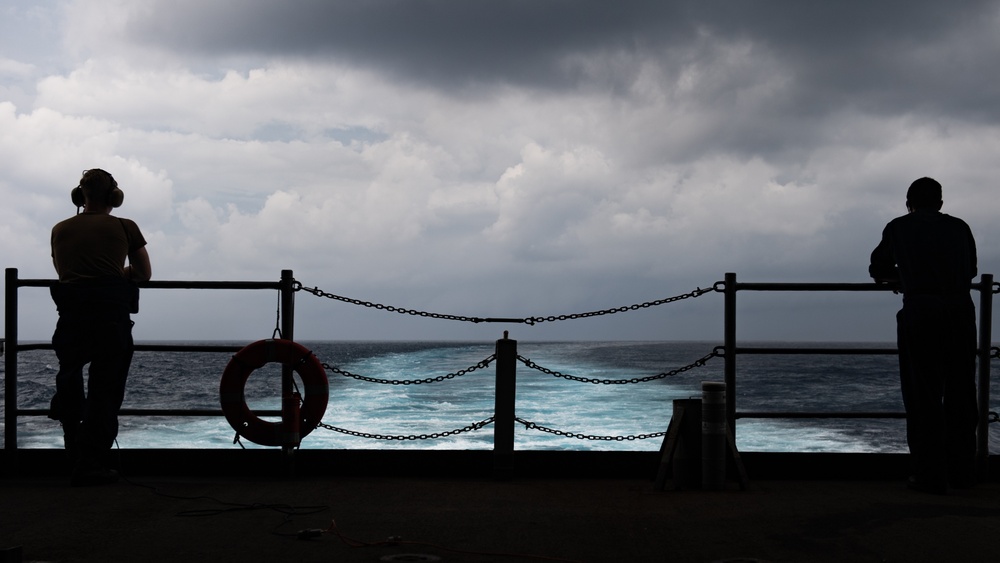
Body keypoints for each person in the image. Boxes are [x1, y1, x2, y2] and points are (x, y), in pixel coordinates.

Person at [869, 177, 978, 494]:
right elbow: (970, 270)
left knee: (923, 395)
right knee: (961, 392)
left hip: (920, 312)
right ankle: (962, 473)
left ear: (908, 203)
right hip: (960, 312)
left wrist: (901, 278)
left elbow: (878, 269)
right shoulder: (960, 227)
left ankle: (930, 475)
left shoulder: (898, 227)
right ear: (941, 203)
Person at [49, 168, 151, 486]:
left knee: (69, 379)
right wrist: (116, 272)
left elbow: (64, 270)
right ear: (114, 198)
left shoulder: (59, 229)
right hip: (111, 319)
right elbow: (143, 273)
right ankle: (92, 461)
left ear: (80, 197)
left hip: (70, 317)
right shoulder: (125, 226)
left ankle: (71, 449)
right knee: (105, 391)